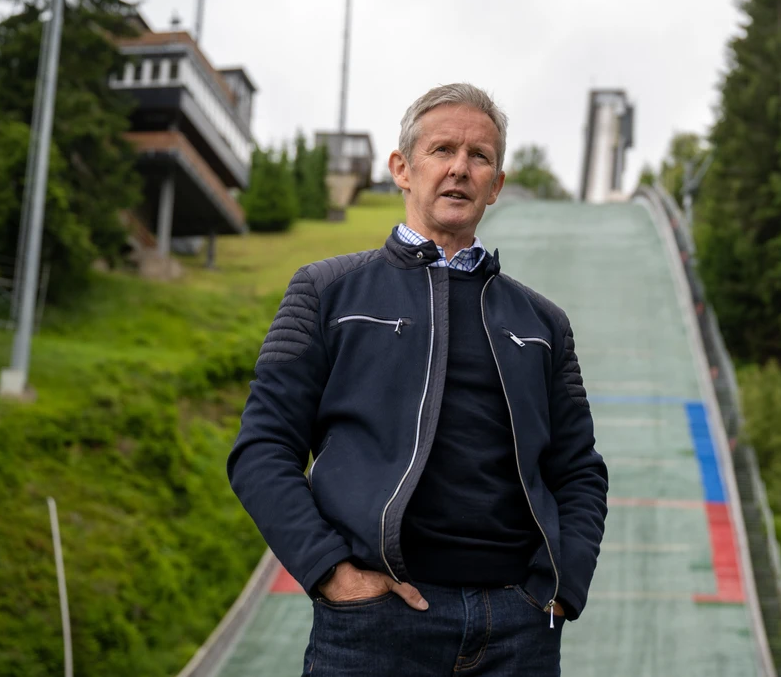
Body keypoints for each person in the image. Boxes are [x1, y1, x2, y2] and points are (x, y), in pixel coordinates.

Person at [228, 83, 609, 676]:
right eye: (442, 150)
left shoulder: (544, 323)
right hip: (374, 627)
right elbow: (262, 448)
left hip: (517, 631)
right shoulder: (325, 292)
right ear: (402, 169)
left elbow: (580, 470)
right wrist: (331, 572)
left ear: (496, 185)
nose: (460, 168)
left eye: (479, 156)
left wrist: (561, 589)